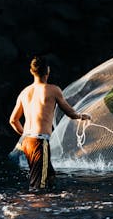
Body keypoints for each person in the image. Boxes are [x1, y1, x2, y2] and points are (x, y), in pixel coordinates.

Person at [9, 55, 90, 192]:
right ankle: (35, 210)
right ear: (48, 70)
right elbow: (69, 112)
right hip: (39, 142)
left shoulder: (24, 92)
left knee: (50, 177)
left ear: (31, 71)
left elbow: (13, 120)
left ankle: (50, 207)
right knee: (37, 187)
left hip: (26, 141)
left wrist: (26, 136)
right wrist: (81, 116)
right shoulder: (53, 90)